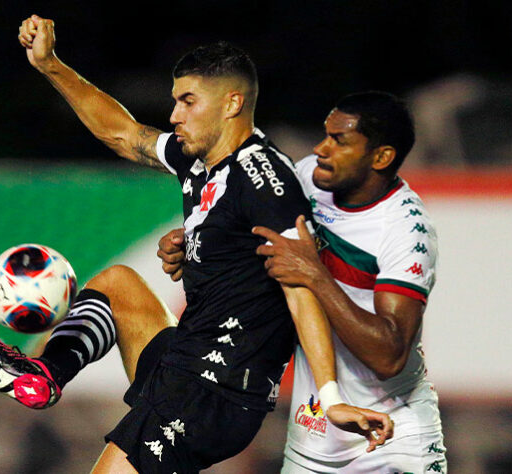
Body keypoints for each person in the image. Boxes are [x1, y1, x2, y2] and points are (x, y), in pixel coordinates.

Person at [0, 14, 392, 474]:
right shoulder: (201, 162)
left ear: (231, 104)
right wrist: (50, 65)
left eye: (187, 101)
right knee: (119, 284)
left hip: (214, 389)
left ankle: (45, 377)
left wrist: (331, 398)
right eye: (174, 100)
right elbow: (123, 134)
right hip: (185, 361)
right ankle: (45, 375)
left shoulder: (265, 180)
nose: (174, 114)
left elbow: (302, 288)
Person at [159, 91, 447, 473]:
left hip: (394, 436)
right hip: (315, 432)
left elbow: (389, 356)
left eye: (339, 141)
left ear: (381, 157)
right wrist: (194, 242)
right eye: (325, 134)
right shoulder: (307, 178)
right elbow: (249, 232)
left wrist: (316, 273)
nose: (320, 149)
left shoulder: (406, 230)